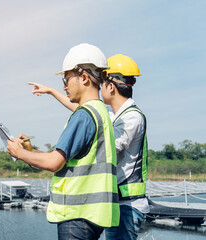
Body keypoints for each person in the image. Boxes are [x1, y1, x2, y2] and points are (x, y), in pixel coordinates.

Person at [28, 54, 149, 240]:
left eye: (102, 82)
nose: (99, 88)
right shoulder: (111, 114)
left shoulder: (132, 117)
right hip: (116, 202)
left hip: (129, 204)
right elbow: (84, 110)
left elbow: (106, 142)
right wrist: (52, 92)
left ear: (111, 86)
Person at [7, 43, 119, 240]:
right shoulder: (100, 112)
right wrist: (31, 151)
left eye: (66, 79)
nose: (64, 86)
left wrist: (20, 153)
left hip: (77, 214)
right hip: (93, 214)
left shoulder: (84, 116)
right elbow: (65, 160)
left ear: (84, 77)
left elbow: (54, 162)